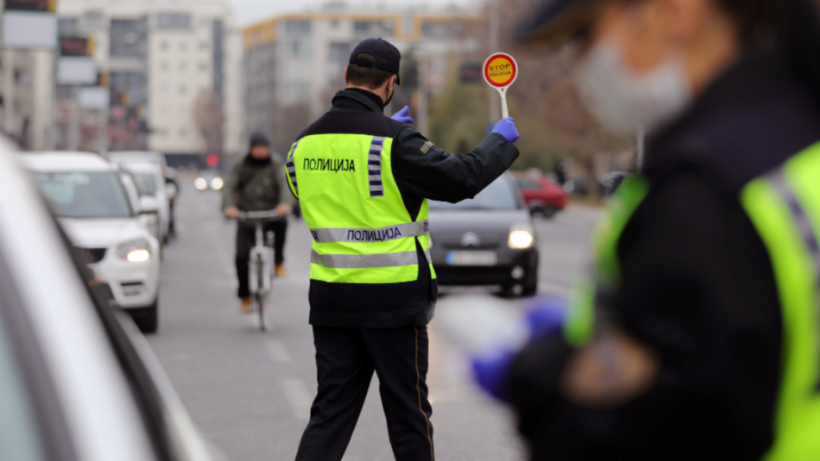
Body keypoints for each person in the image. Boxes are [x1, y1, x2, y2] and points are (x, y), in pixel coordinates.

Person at [459, 0, 820, 459]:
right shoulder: (796, 140)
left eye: (585, 36)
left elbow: (638, 431)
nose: (578, 65)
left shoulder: (701, 196)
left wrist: (534, 376)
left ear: (674, 12)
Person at [286, 38, 521, 461]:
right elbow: (461, 178)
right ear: (391, 83)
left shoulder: (301, 146)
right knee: (408, 416)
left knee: (330, 415)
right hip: (393, 301)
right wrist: (498, 142)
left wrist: (380, 136)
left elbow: (324, 189)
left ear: (346, 77)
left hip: (332, 300)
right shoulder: (394, 142)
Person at [223, 133, 292, 313]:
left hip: (270, 214)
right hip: (246, 217)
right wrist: (229, 207)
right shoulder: (241, 164)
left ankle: (278, 262)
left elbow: (284, 184)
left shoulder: (275, 164)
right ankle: (245, 296)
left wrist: (284, 204)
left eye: (264, 148)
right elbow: (229, 186)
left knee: (282, 224)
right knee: (240, 257)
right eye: (258, 148)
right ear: (251, 149)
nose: (261, 151)